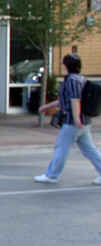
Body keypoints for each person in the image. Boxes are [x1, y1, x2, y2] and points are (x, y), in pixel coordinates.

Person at [35, 53, 101, 184]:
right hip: (85, 121)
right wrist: (47, 106)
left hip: (72, 121)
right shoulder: (81, 78)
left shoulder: (71, 80)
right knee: (89, 150)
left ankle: (51, 175)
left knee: (62, 148)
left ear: (66, 66)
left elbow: (75, 100)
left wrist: (76, 119)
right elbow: (64, 99)